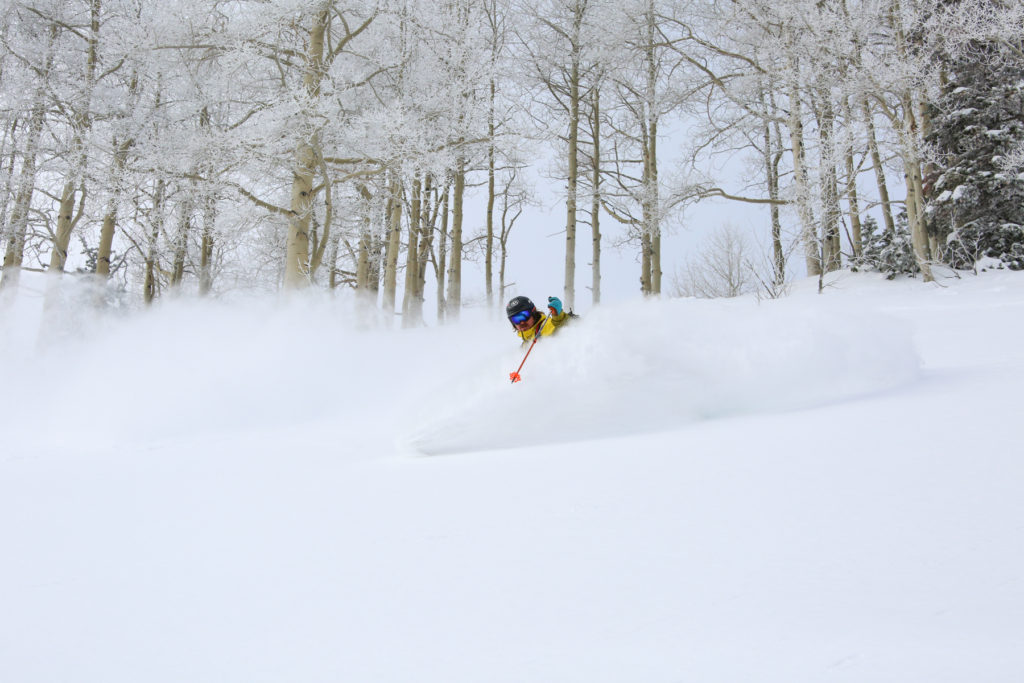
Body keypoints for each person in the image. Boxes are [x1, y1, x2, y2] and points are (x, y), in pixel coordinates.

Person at [506, 295, 571, 344]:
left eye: (524, 316)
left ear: (533, 312)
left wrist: (558, 317)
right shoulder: (525, 344)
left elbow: (560, 327)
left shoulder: (544, 327)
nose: (521, 322)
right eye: (516, 319)